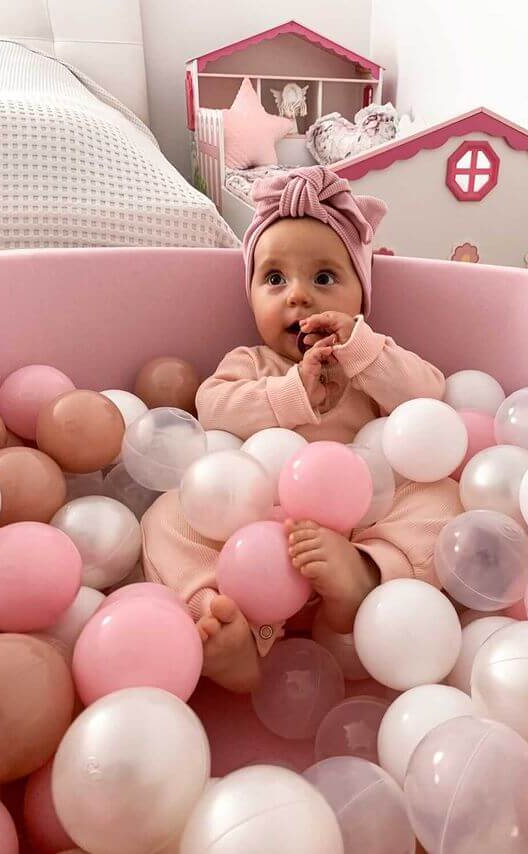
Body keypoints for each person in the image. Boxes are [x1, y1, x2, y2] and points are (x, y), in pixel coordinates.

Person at [141, 166, 462, 692]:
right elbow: (213, 408)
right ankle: (226, 622)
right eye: (274, 279)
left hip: (360, 522)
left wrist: (361, 348)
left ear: (361, 297)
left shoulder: (369, 361)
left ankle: (366, 574)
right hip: (251, 533)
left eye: (324, 278)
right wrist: (292, 395)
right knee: (167, 517)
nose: (298, 296)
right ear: (250, 296)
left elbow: (429, 397)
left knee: (442, 498)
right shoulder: (251, 362)